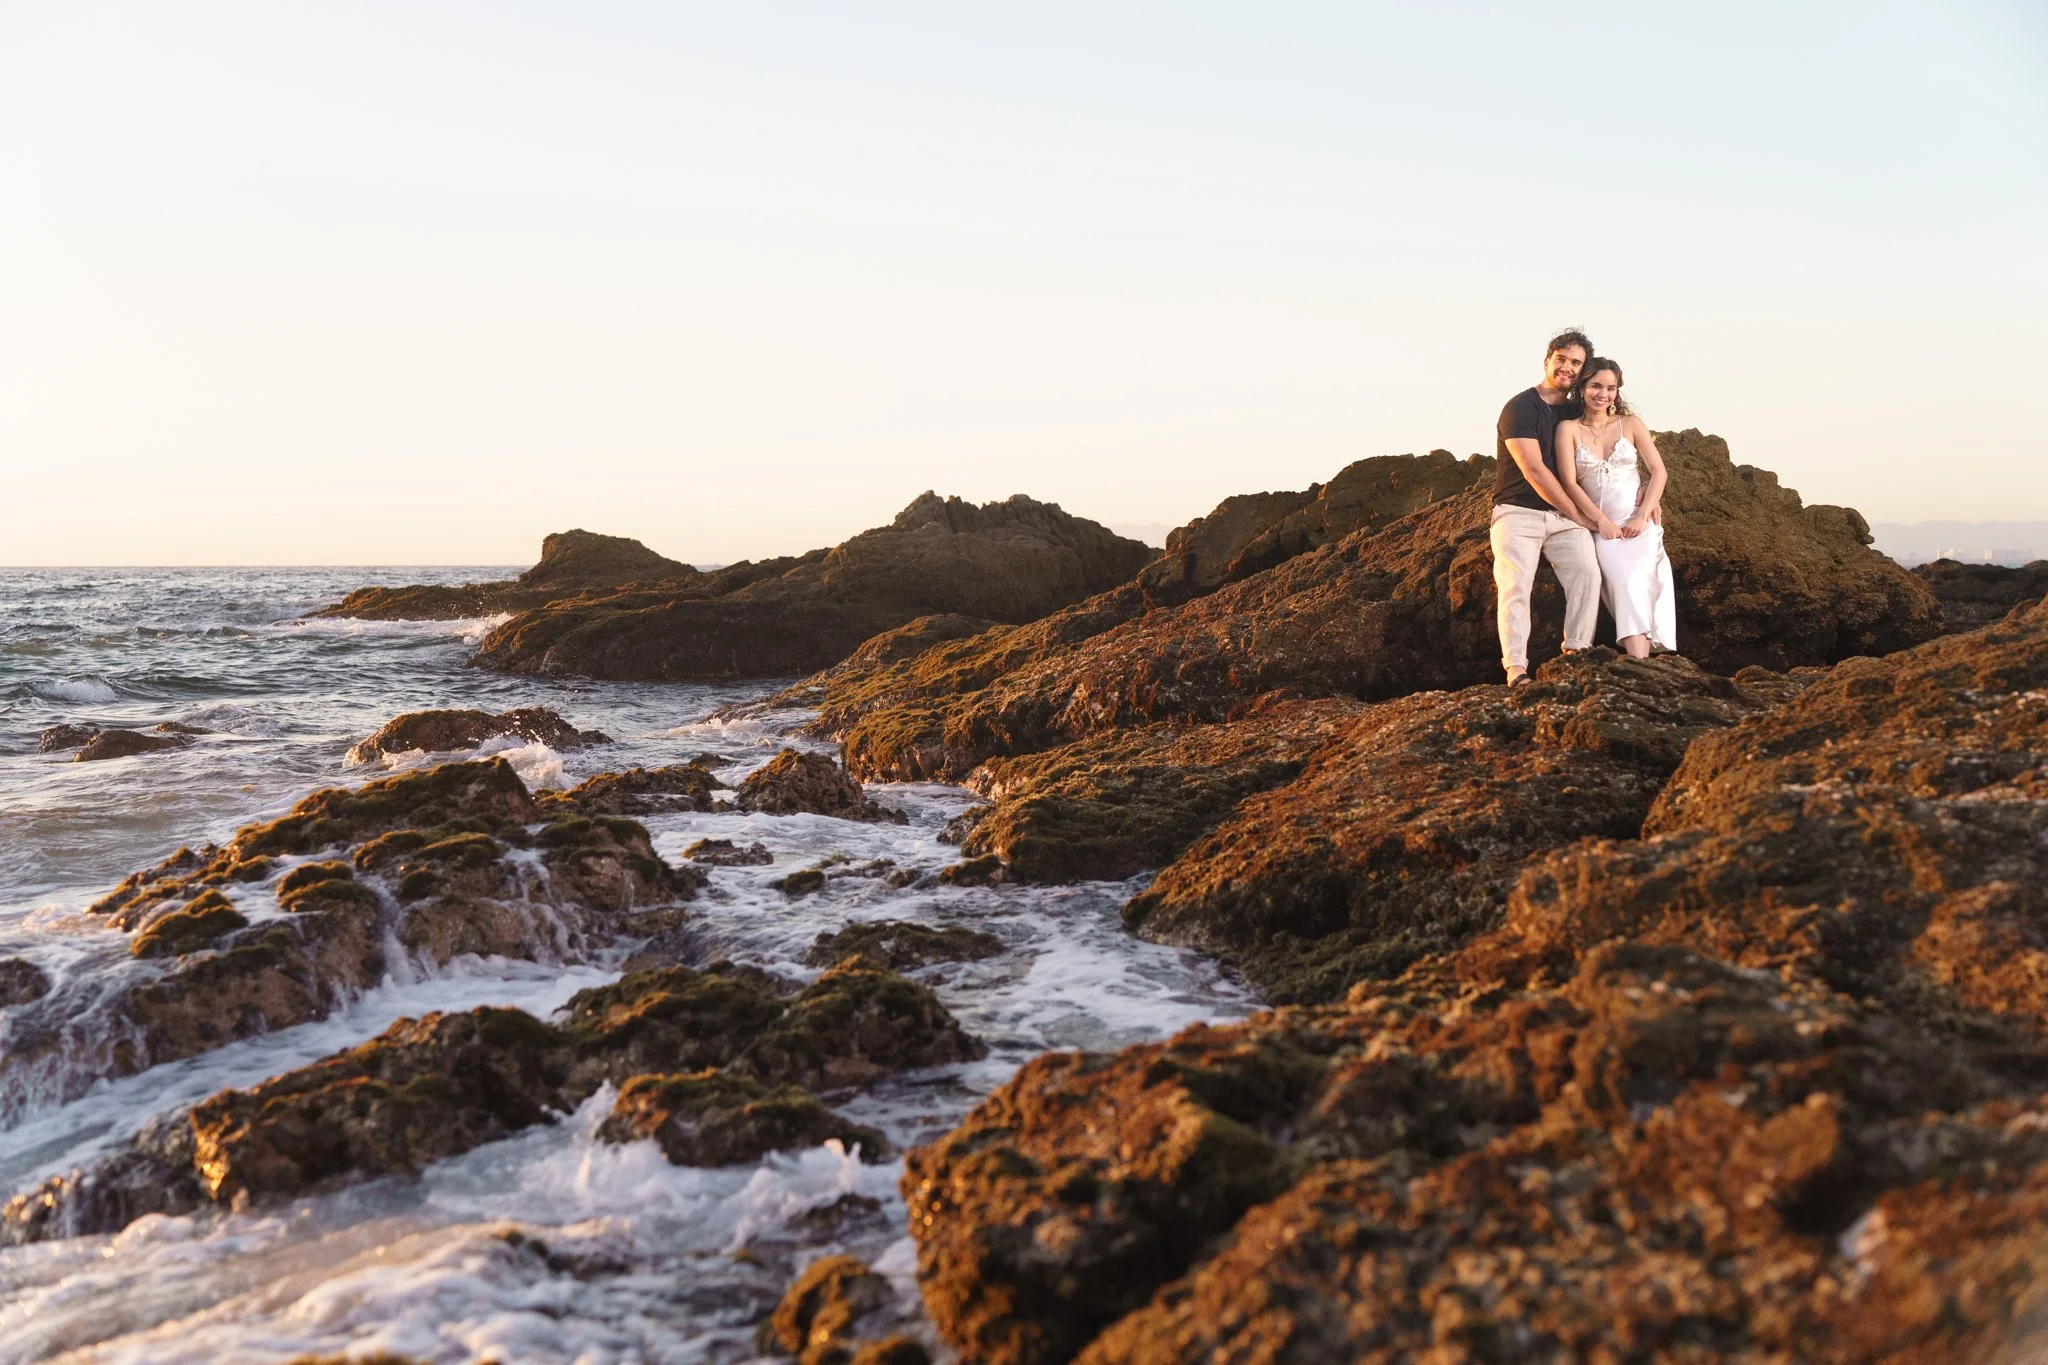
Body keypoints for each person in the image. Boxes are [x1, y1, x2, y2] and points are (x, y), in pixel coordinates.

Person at [1490, 330, 1603, 685]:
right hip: (1517, 512)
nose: (1567, 367)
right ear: (1547, 360)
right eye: (1562, 359)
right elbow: (1535, 470)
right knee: (1515, 586)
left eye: (1576, 363)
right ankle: (1517, 670)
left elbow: (1608, 451)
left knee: (1587, 572)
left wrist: (1648, 493)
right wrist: (1579, 514)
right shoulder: (1520, 407)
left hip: (1562, 517)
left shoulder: (1575, 412)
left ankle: (1576, 654)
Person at [1554, 358, 1676, 658]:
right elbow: (1569, 482)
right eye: (1596, 386)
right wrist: (1599, 521)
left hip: (1638, 525)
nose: (1603, 394)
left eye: (1610, 388)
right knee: (1623, 581)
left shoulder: (1630, 424)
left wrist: (1643, 513)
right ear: (1582, 388)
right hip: (1601, 527)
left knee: (1639, 578)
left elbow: (1659, 471)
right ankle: (1640, 661)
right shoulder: (1567, 429)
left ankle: (1639, 660)